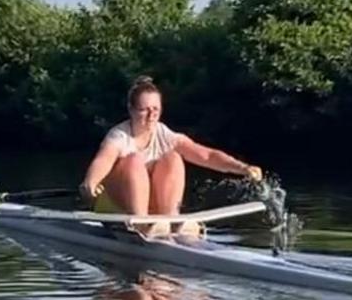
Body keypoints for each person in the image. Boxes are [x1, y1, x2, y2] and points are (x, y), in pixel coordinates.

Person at [79, 76, 263, 223]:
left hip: (149, 208)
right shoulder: (119, 136)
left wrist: (243, 168)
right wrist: (91, 182)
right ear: (131, 110)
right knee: (134, 160)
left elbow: (206, 155)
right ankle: (141, 224)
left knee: (173, 158)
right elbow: (103, 160)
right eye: (144, 110)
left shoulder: (165, 134)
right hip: (115, 204)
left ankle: (170, 220)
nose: (151, 116)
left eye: (156, 110)